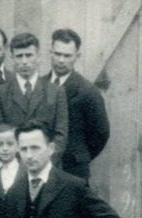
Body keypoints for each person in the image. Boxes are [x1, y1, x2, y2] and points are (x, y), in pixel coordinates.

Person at [0, 33, 69, 168]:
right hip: (11, 166)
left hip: (48, 166)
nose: (24, 61)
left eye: (29, 55)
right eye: (19, 56)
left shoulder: (56, 92)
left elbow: (61, 135)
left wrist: (46, 162)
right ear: (12, 58)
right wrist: (16, 163)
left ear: (38, 56)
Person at [46, 29, 110, 180]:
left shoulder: (87, 91)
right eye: (57, 54)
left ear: (77, 56)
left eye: (67, 55)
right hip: (41, 167)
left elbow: (101, 133)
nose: (61, 60)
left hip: (73, 170)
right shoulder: (40, 85)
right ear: (50, 53)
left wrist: (79, 156)